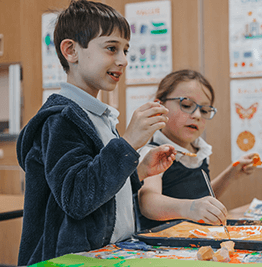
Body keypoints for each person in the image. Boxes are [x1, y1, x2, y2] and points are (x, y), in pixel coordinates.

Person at [16, 0, 176, 265]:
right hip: (67, 260)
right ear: (71, 51)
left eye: (125, 50)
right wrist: (127, 145)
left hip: (108, 254)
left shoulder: (97, 115)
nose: (123, 60)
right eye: (111, 48)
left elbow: (100, 185)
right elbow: (78, 198)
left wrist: (137, 171)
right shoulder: (61, 119)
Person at [136, 69, 258, 230]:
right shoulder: (154, 152)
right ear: (160, 106)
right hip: (163, 244)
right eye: (186, 105)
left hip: (193, 240)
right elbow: (148, 202)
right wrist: (191, 208)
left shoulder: (199, 150)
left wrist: (230, 175)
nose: (197, 115)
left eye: (205, 110)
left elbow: (199, 198)